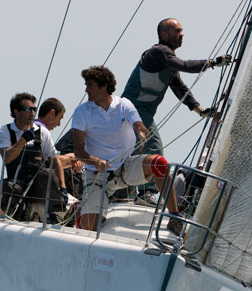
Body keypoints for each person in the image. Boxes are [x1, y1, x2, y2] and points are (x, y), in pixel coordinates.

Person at [119, 17, 232, 205]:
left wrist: (201, 111)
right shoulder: (158, 53)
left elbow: (180, 89)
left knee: (136, 151)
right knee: (153, 148)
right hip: (133, 110)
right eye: (177, 31)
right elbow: (185, 66)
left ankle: (124, 194)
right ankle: (146, 192)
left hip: (141, 112)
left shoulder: (167, 62)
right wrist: (213, 62)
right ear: (164, 34)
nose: (182, 34)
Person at [72, 65, 183, 235]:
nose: (86, 90)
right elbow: (79, 151)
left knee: (160, 164)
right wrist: (94, 161)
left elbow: (137, 122)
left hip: (124, 167)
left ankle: (175, 217)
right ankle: (79, 210)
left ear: (103, 86)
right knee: (89, 228)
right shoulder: (82, 111)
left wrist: (140, 130)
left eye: (89, 85)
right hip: (96, 175)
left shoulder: (123, 104)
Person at [0, 92, 68, 220]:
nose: (32, 113)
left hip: (37, 183)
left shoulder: (42, 132)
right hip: (16, 183)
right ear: (16, 111)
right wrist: (23, 140)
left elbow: (55, 160)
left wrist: (63, 187)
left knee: (48, 174)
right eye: (28, 109)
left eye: (34, 109)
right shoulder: (4, 131)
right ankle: (18, 212)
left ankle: (55, 214)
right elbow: (6, 158)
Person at [36, 98, 84, 198]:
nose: (59, 124)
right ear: (52, 113)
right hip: (40, 183)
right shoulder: (42, 131)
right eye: (60, 118)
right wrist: (75, 157)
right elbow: (55, 162)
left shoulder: (29, 129)